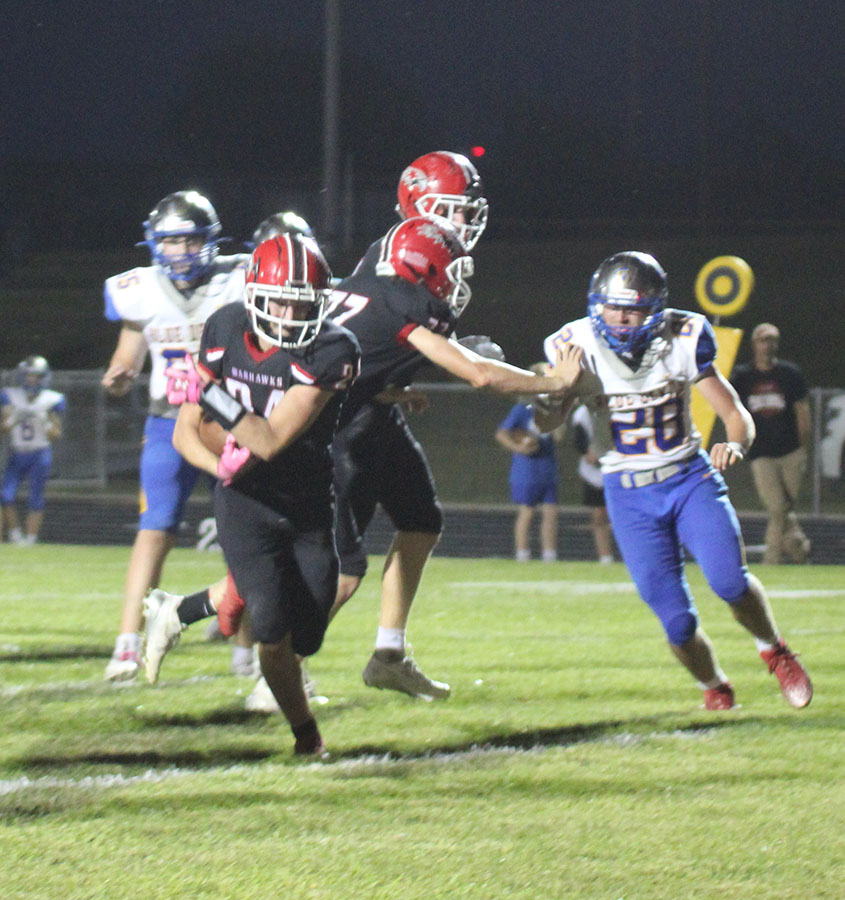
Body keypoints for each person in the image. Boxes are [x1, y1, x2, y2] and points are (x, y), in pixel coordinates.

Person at [537, 251, 812, 710]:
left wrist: (737, 443)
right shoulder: (572, 345)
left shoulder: (684, 335)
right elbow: (546, 423)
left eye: (634, 309)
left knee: (729, 582)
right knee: (677, 624)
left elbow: (732, 413)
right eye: (613, 307)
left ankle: (774, 648)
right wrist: (557, 388)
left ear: (656, 308)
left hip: (688, 477)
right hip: (628, 495)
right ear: (595, 304)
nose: (622, 320)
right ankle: (715, 685)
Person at [324, 215, 581, 700]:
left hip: (329, 421)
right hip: (314, 441)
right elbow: (480, 374)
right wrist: (555, 382)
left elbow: (348, 365)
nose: (453, 281)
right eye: (445, 269)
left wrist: (388, 394)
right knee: (339, 571)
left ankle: (388, 656)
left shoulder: (374, 287)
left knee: (420, 522)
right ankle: (272, 670)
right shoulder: (402, 300)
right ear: (419, 267)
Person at [146, 233, 360, 755]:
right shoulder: (224, 328)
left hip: (309, 502)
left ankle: (180, 609)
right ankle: (306, 736)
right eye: (280, 299)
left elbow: (267, 440)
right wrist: (222, 466)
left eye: (302, 302)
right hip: (246, 501)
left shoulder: (332, 348)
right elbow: (184, 434)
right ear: (253, 294)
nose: (289, 312)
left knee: (307, 635)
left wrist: (210, 394)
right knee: (269, 625)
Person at [101, 190, 248, 682]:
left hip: (225, 421)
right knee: (155, 528)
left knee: (241, 535)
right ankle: (127, 642)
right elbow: (127, 359)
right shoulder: (139, 290)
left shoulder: (237, 279)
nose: (180, 252)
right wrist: (120, 376)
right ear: (154, 243)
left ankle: (246, 646)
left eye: (189, 241)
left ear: (209, 241)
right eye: (171, 242)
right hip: (166, 422)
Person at [730, 323, 811, 564]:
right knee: (778, 508)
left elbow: (802, 410)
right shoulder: (743, 376)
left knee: (784, 509)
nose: (769, 344)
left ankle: (800, 552)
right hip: (761, 453)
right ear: (754, 343)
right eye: (764, 339)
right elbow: (731, 407)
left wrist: (804, 446)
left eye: (773, 339)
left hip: (790, 451)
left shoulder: (790, 373)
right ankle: (772, 559)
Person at [495, 364, 561, 562]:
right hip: (527, 468)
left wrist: (557, 415)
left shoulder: (550, 408)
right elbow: (501, 433)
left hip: (547, 466)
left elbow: (558, 437)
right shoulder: (523, 408)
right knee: (527, 511)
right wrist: (519, 447)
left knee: (551, 512)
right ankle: (522, 554)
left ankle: (549, 555)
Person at [1, 356, 66, 544]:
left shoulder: (52, 399)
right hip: (17, 451)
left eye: (36, 376)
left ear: (43, 377)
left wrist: (44, 421)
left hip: (39, 453)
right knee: (5, 495)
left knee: (35, 497)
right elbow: (3, 429)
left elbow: (56, 435)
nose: (32, 380)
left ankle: (30, 539)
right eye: (28, 376)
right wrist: (13, 419)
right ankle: (14, 534)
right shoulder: (11, 396)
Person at [570, 404, 614, 564]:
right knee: (598, 515)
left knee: (620, 514)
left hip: (616, 467)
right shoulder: (582, 414)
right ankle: (605, 556)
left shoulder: (612, 407)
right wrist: (588, 452)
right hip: (594, 472)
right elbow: (579, 440)